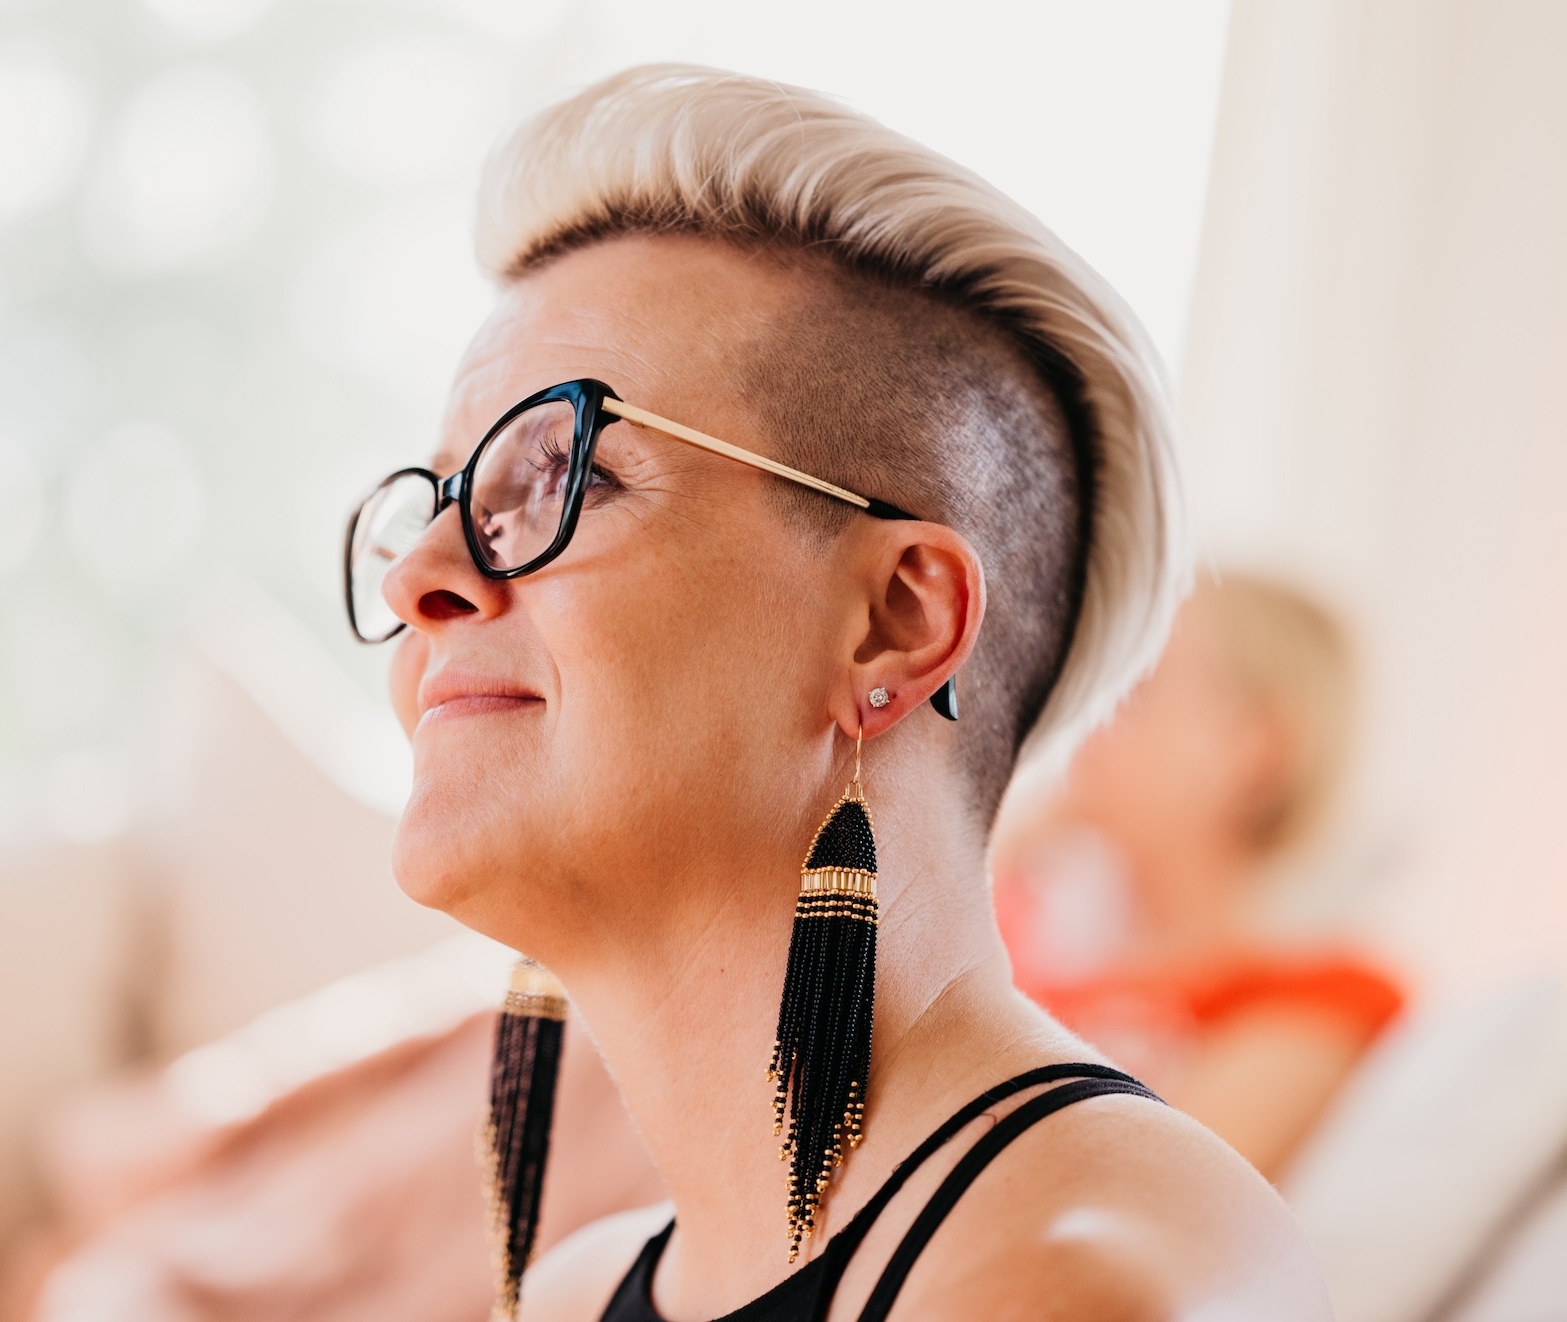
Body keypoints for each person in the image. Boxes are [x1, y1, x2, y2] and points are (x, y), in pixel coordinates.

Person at [339, 63, 1331, 1321]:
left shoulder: (1077, 1280)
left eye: (563, 469)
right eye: (440, 500)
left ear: (896, 621)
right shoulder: (578, 1289)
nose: (425, 573)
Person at [996, 572, 1404, 1179]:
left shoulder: (1326, 999)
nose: (1090, 719)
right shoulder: (1013, 947)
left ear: (1259, 747)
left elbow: (1134, 1192)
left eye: (1137, 689)